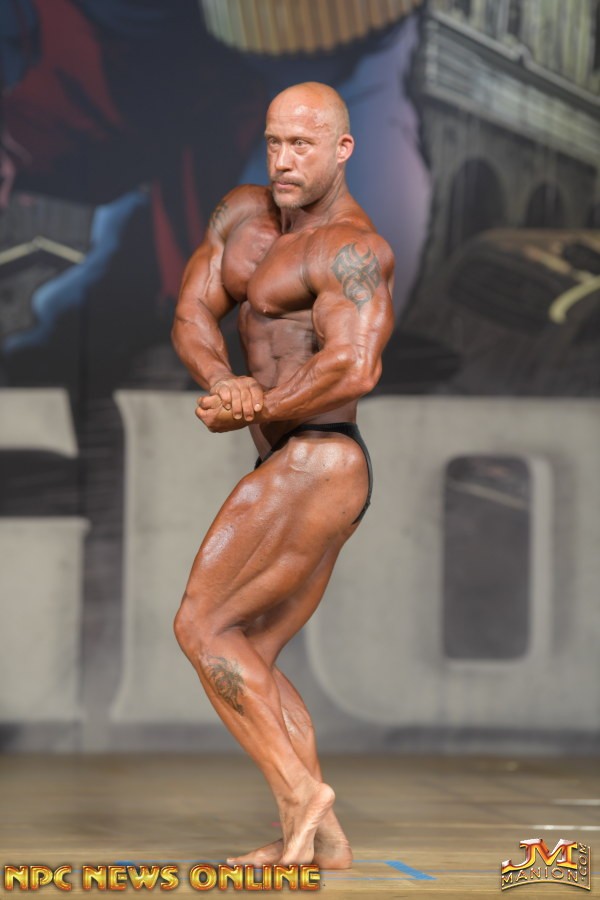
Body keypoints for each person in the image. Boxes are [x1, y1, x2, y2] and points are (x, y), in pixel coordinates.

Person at [171, 82, 394, 867]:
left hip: (321, 456)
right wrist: (223, 381)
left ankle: (302, 794)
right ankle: (323, 838)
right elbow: (193, 312)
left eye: (303, 144)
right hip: (288, 457)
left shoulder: (352, 249)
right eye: (274, 142)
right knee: (249, 652)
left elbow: (354, 365)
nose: (283, 160)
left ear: (343, 149)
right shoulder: (242, 215)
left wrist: (260, 401)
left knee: (201, 627)